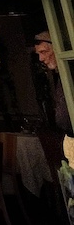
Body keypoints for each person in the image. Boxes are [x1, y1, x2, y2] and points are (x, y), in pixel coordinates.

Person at [34, 32, 72, 171]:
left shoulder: (70, 73)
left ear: (57, 48)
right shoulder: (62, 75)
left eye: (43, 52)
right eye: (39, 53)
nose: (41, 58)